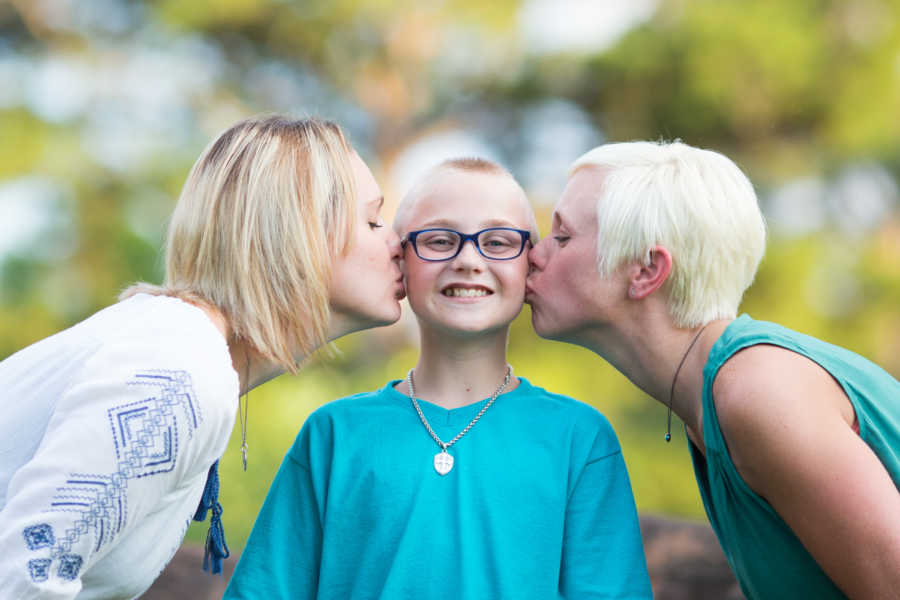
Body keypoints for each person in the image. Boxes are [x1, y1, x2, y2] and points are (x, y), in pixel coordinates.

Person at [0, 115, 407, 599]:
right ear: (299, 236)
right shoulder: (180, 375)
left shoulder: (176, 350)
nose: (397, 244)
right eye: (373, 221)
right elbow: (24, 578)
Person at [224, 157, 653, 599]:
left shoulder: (579, 439)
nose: (468, 260)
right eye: (439, 240)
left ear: (531, 265)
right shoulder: (333, 434)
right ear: (400, 260)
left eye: (499, 241)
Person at [525, 140, 900, 600]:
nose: (534, 254)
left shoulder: (758, 392)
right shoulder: (714, 398)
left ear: (646, 270)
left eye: (561, 237)